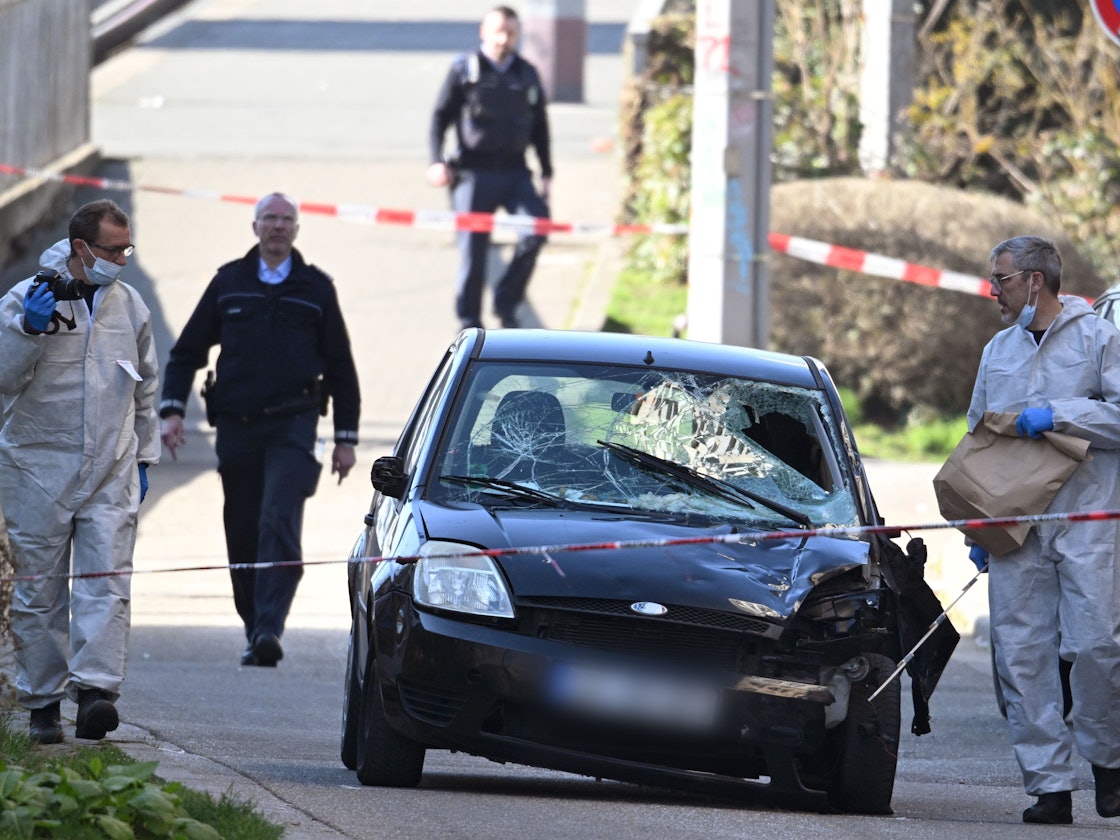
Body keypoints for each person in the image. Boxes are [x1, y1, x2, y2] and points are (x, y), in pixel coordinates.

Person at [159, 192, 360, 668]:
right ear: (255, 227)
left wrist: (346, 439)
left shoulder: (316, 288)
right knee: (243, 527)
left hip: (294, 424)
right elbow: (186, 352)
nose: (277, 226)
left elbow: (340, 367)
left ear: (296, 229)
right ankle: (254, 625)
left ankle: (271, 625)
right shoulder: (229, 282)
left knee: (279, 520)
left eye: (286, 219)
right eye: (269, 218)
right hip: (237, 426)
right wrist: (171, 412)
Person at [965, 235, 1120, 824]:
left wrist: (1060, 413)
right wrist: (975, 528)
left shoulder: (1099, 339)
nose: (993, 290)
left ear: (1036, 281)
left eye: (1000, 279)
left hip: (1087, 518)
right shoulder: (997, 352)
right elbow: (978, 436)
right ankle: (1049, 787)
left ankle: (1109, 764)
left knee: (1097, 645)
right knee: (1021, 654)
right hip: (1017, 524)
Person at [0, 198, 160, 744]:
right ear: (80, 248)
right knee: (38, 589)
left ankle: (95, 694)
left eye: (126, 248)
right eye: (113, 249)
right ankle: (42, 703)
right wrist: (28, 331)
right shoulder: (26, 301)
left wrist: (143, 456)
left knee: (106, 581)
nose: (121, 258)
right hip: (36, 465)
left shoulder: (129, 306)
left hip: (109, 466)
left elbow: (146, 386)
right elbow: (2, 379)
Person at [427, 4, 552, 330]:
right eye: (497, 31)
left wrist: (547, 172)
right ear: (483, 32)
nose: (503, 38)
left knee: (536, 229)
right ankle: (468, 321)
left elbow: (540, 126)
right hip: (472, 173)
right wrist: (436, 162)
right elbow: (439, 117)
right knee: (474, 251)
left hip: (514, 171)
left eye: (509, 32)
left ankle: (506, 302)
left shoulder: (526, 74)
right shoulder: (464, 70)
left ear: (517, 35)